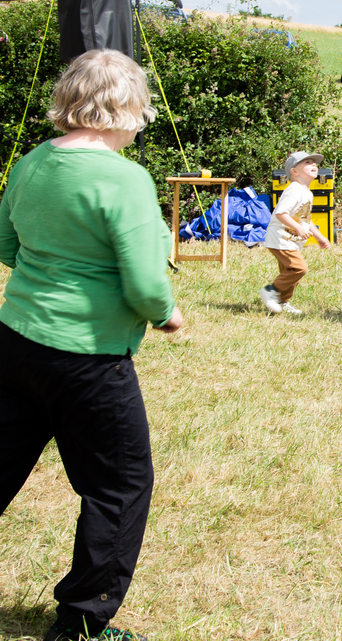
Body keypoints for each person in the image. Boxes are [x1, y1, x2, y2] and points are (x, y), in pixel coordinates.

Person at [0, 49, 183, 641]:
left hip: (16, 345)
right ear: (125, 108)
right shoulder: (124, 177)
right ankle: (83, 623)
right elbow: (145, 281)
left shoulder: (32, 163)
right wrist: (167, 314)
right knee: (119, 485)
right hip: (89, 361)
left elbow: (6, 244)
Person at [259, 150, 332, 316]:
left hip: (291, 240)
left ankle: (282, 301)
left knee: (291, 275)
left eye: (314, 162)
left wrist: (319, 237)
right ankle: (270, 290)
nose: (313, 164)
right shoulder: (294, 190)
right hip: (280, 237)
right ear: (294, 171)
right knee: (299, 268)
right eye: (307, 162)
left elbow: (305, 219)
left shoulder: (306, 193)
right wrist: (298, 228)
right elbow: (281, 213)